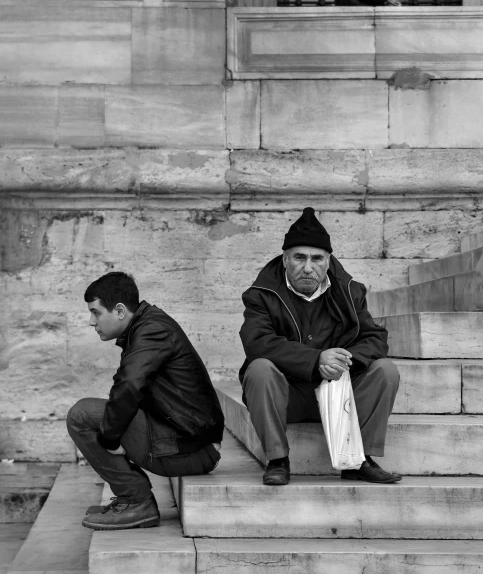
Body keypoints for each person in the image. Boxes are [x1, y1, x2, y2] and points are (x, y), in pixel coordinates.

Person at [239, 208, 401, 486]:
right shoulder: (262, 295)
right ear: (285, 259)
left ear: (328, 261)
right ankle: (277, 459)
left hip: (341, 393)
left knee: (385, 370)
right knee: (259, 369)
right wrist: (315, 360)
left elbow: (375, 338)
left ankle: (359, 459)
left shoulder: (349, 291)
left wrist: (342, 361)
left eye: (317, 258)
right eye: (299, 257)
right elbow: (257, 343)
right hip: (289, 395)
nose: (308, 267)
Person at [67, 271, 224, 530]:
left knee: (81, 415)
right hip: (184, 441)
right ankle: (132, 496)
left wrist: (110, 439)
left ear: (119, 310)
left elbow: (128, 386)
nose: (91, 322)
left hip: (190, 449)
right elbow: (129, 388)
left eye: (95, 313)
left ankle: (135, 500)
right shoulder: (146, 327)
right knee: (100, 412)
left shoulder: (153, 330)